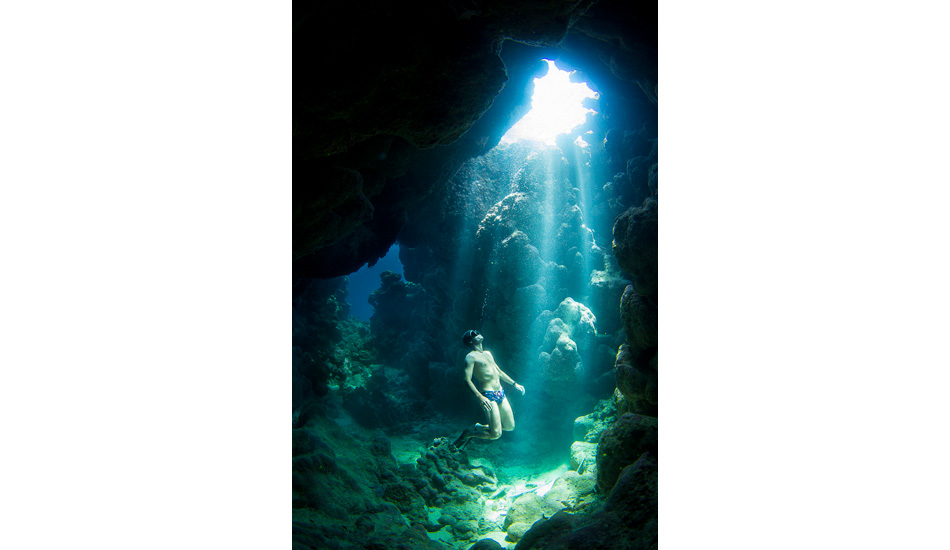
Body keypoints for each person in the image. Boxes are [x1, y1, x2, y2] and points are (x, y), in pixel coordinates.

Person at [454, 329, 525, 448]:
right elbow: (467, 380)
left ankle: (480, 427)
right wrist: (480, 397)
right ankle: (469, 434)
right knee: (496, 434)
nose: (478, 334)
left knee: (510, 426)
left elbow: (499, 372)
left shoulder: (488, 354)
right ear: (470, 341)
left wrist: (515, 384)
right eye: (474, 334)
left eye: (477, 332)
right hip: (488, 395)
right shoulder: (470, 357)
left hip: (501, 393)